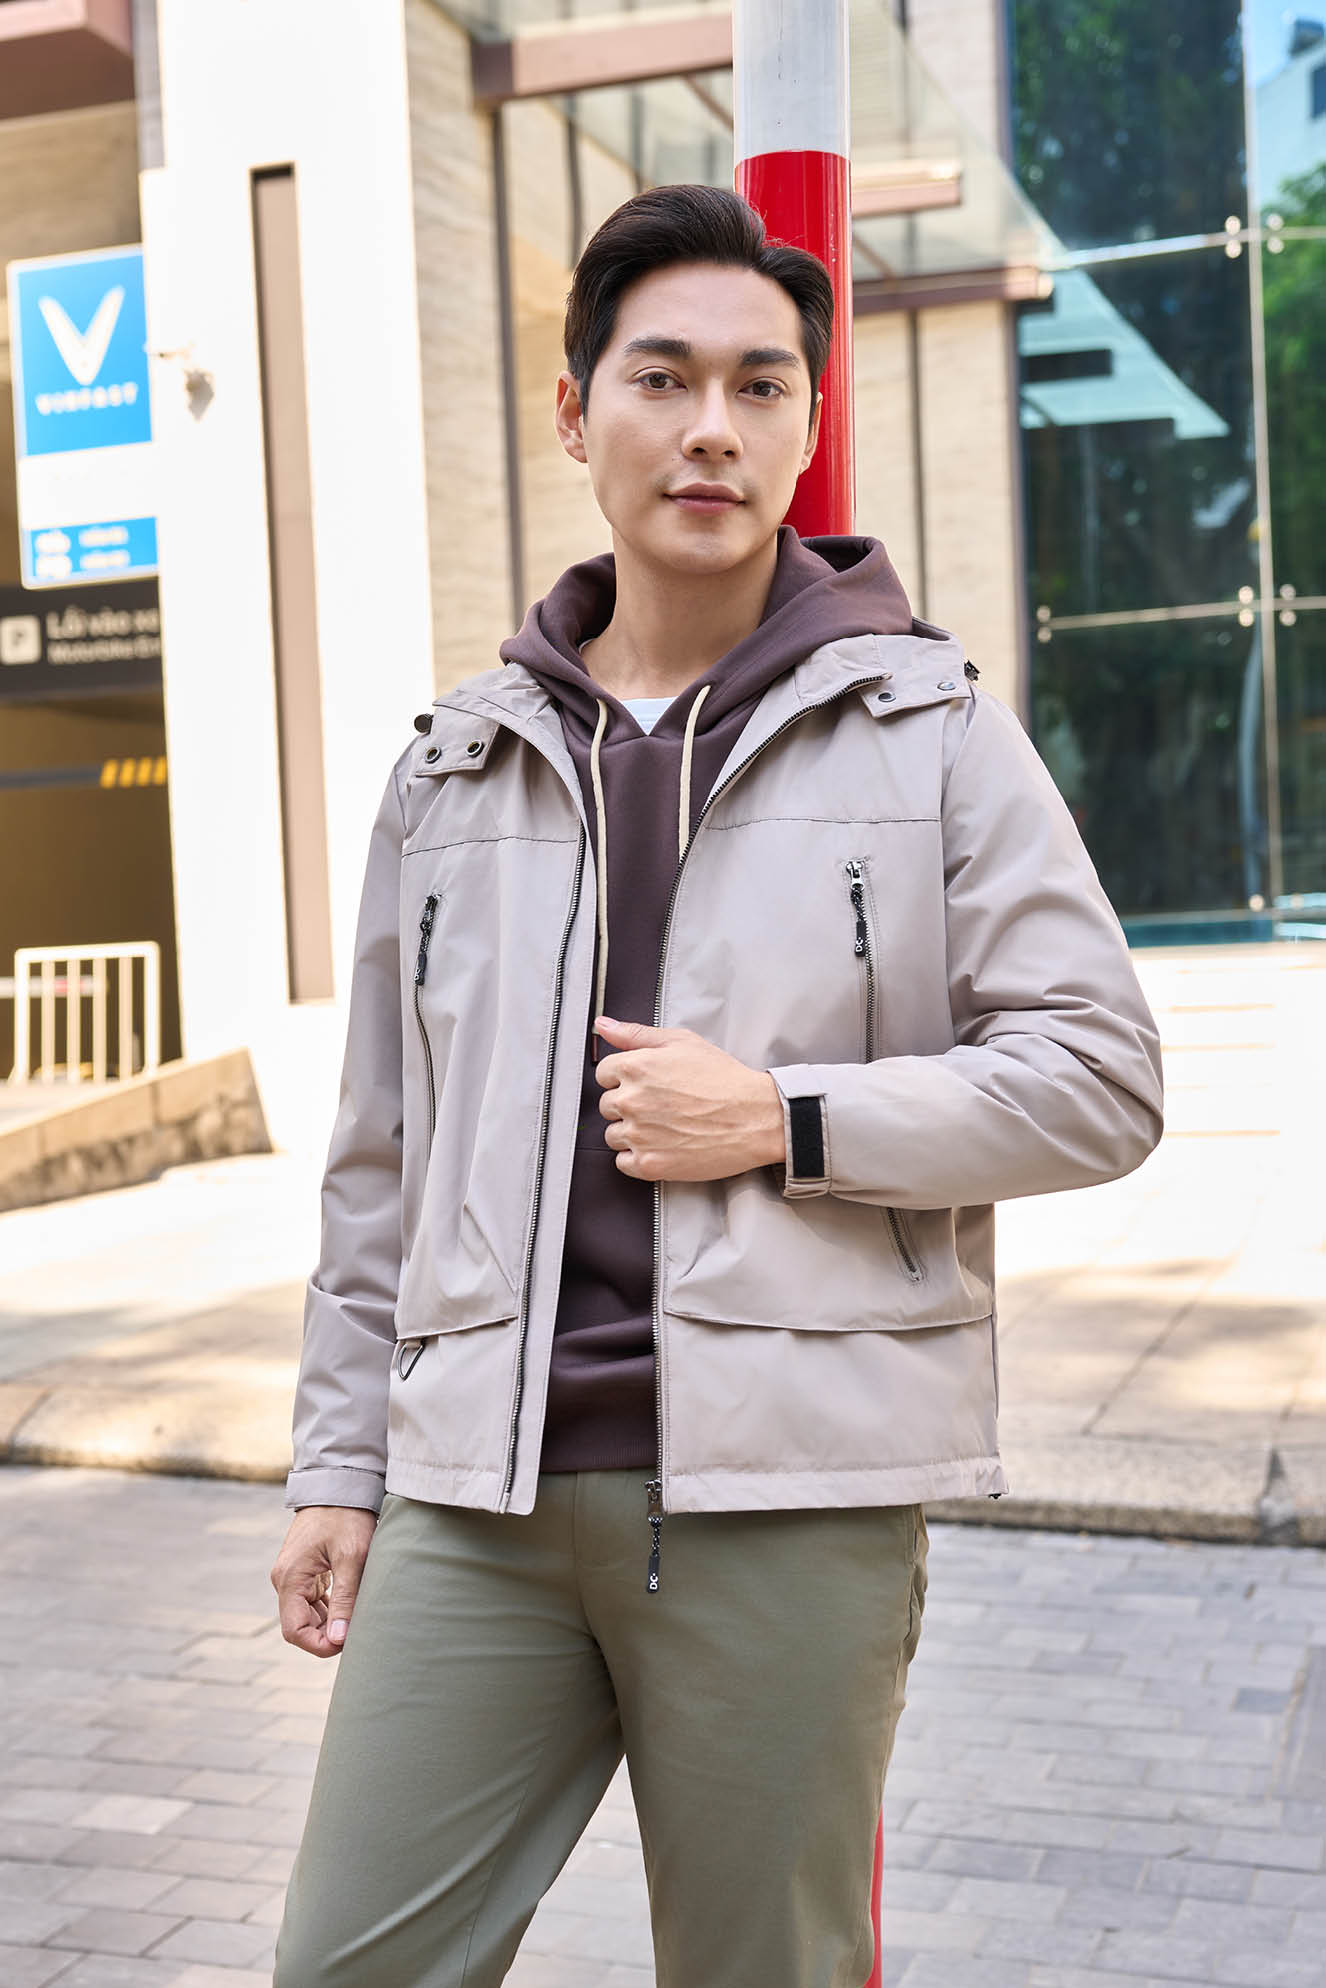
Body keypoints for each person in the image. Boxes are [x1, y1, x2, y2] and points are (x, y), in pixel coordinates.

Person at [269, 183, 1164, 1988]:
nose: (710, 428)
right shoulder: (453, 766)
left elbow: (1098, 1076)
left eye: (760, 387)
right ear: (573, 409)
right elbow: (381, 1160)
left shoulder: (928, 732)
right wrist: (336, 1466)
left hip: (785, 1502)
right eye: (663, 378)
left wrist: (787, 1119)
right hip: (475, 1501)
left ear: (806, 429)